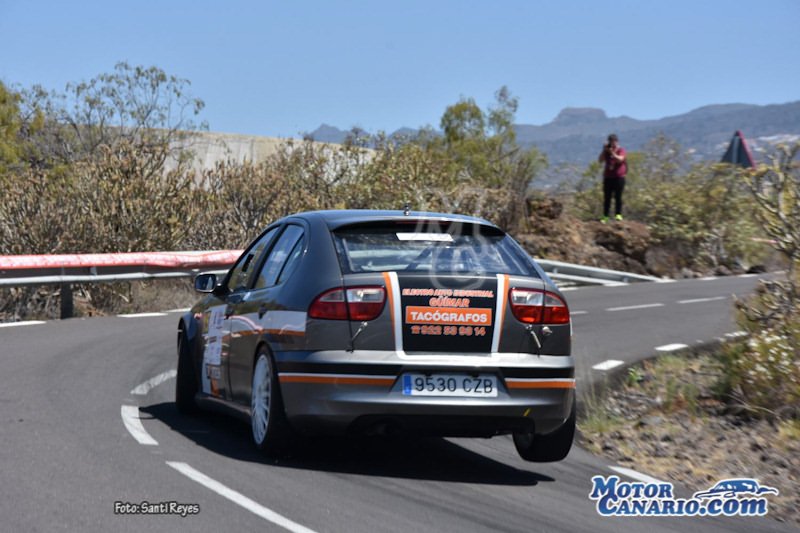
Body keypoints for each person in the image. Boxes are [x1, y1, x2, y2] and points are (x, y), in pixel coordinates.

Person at [598, 134, 627, 223]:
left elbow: (620, 159)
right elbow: (600, 160)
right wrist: (604, 150)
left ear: (617, 142)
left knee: (618, 197)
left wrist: (612, 153)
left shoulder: (621, 150)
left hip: (619, 177)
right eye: (611, 142)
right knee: (607, 197)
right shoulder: (606, 152)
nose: (612, 143)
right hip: (608, 177)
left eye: (614, 142)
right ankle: (605, 216)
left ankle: (618, 215)